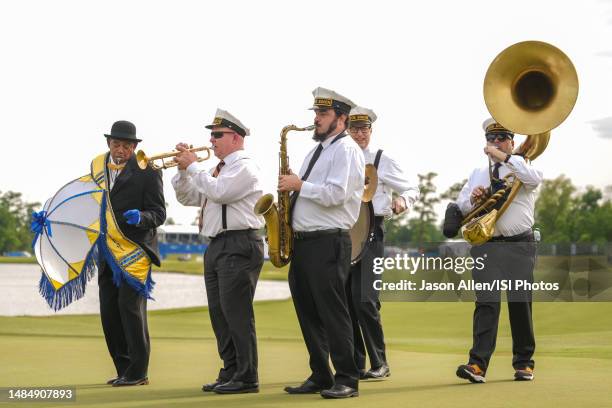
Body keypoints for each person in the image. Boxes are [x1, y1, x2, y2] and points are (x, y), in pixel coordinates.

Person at [279, 87, 365, 399]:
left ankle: (347, 378)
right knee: (308, 311)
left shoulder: (346, 150)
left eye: (323, 114)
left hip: (328, 242)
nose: (316, 119)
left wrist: (299, 184)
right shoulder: (318, 151)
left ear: (341, 119)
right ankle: (320, 373)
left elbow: (336, 195)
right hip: (305, 243)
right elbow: (313, 191)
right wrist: (294, 186)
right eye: (316, 113)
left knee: (333, 312)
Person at [172, 109, 264, 394]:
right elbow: (189, 198)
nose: (211, 141)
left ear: (235, 137)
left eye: (217, 135)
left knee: (236, 313)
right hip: (216, 245)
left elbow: (220, 192)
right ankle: (231, 369)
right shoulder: (215, 169)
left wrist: (194, 167)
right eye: (211, 135)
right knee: (219, 313)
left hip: (239, 243)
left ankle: (247, 376)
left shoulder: (244, 167)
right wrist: (182, 171)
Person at [455, 118, 542, 383]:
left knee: (520, 305)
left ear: (512, 142)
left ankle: (524, 363)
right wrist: (473, 198)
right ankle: (477, 364)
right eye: (491, 139)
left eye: (502, 138)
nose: (495, 143)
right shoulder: (477, 173)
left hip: (519, 244)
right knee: (486, 305)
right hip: (487, 247)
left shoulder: (522, 167)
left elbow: (534, 179)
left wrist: (505, 157)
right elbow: (460, 204)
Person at [346, 106, 419, 380]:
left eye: (364, 129)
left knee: (365, 299)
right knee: (345, 301)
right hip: (343, 231)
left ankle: (380, 362)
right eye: (354, 129)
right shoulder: (340, 158)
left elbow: (412, 188)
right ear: (346, 130)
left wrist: (402, 201)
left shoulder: (380, 158)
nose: (359, 134)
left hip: (372, 230)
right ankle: (353, 363)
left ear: (370, 131)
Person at [98, 120, 166, 387]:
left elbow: (159, 213)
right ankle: (124, 369)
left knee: (130, 309)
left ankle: (139, 372)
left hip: (135, 251)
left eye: (127, 145)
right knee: (109, 311)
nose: (121, 150)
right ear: (109, 144)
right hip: (107, 252)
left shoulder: (147, 171)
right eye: (117, 144)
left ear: (135, 147)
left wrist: (141, 218)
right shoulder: (97, 170)